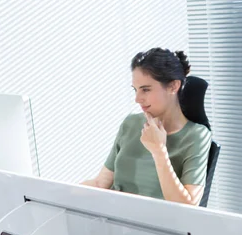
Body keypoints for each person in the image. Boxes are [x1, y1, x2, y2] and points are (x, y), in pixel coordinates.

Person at [82, 48, 212, 205]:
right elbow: (100, 184)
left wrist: (159, 151)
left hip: (156, 225)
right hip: (116, 219)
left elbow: (188, 206)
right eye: (135, 90)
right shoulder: (130, 124)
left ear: (173, 86)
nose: (137, 99)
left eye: (145, 89)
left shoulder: (196, 136)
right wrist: (58, 193)